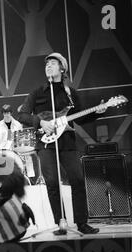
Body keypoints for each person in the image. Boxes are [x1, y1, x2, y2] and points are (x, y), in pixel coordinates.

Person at [17, 52, 107, 235]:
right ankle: (61, 224)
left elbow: (80, 118)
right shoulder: (37, 92)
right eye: (46, 64)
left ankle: (82, 223)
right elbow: (23, 114)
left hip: (66, 142)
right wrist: (40, 122)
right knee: (52, 183)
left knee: (77, 180)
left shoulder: (70, 93)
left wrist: (99, 111)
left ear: (62, 68)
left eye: (53, 63)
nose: (48, 66)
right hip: (45, 144)